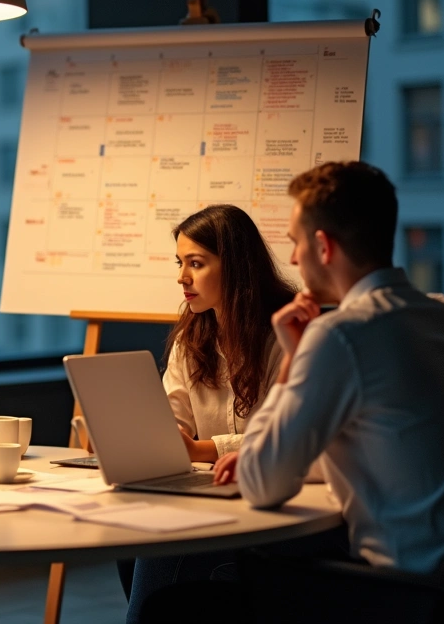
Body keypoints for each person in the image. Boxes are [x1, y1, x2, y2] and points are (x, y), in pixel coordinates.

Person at [212, 161, 444, 573]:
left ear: (324, 247)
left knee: (190, 599)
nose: (293, 258)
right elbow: (390, 446)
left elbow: (261, 484)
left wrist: (291, 359)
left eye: (296, 243)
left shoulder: (341, 335)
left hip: (401, 591)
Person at [125, 204, 295, 623]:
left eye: (196, 264)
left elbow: (282, 434)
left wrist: (199, 448)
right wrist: (160, 437)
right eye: (180, 263)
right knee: (142, 541)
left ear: (235, 266)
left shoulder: (286, 332)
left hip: (272, 505)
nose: (182, 277)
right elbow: (174, 415)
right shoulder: (194, 334)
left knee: (159, 556)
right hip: (210, 498)